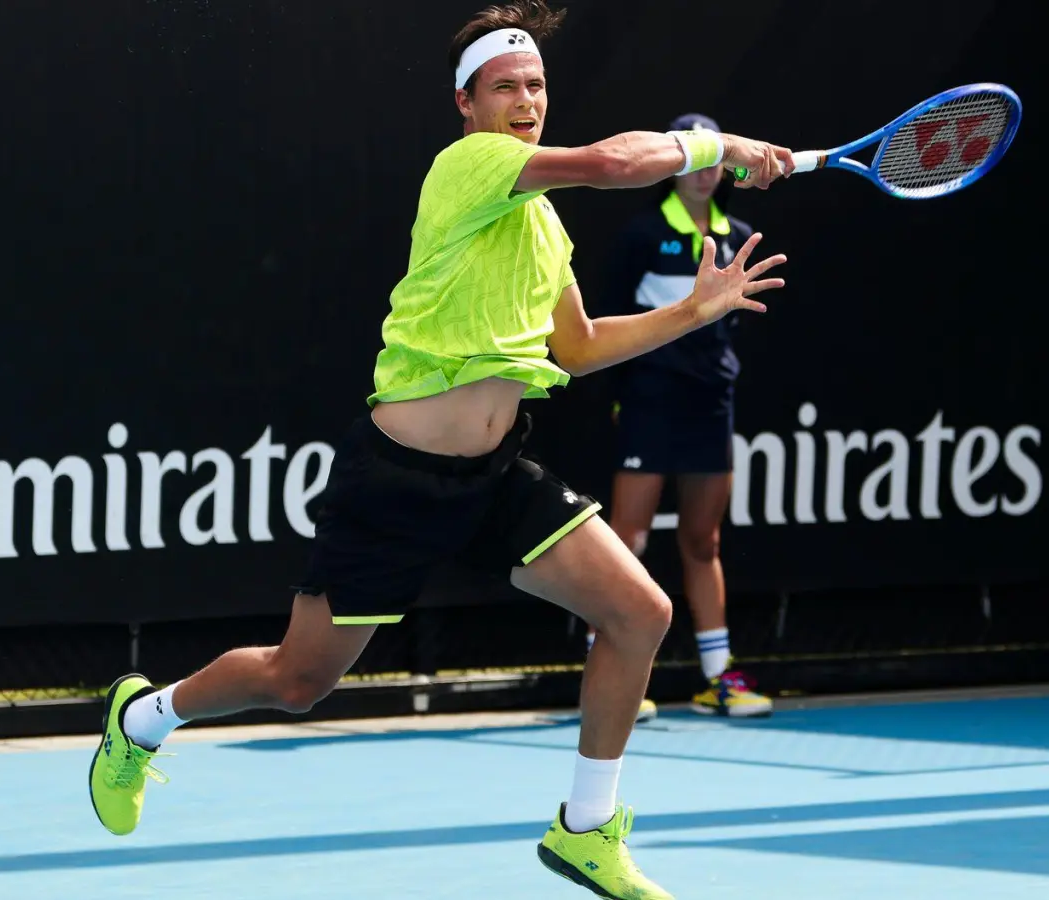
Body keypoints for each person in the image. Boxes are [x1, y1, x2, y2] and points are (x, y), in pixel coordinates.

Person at [84, 3, 792, 898]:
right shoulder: (472, 164)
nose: (526, 99)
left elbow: (572, 348)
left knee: (639, 614)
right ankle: (142, 717)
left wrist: (693, 311)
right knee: (297, 682)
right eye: (506, 86)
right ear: (467, 103)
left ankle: (585, 830)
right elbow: (615, 162)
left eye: (536, 84)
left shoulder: (540, 225)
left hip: (494, 477)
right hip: (397, 483)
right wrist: (720, 145)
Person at [589, 114, 773, 721]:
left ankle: (719, 677)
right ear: (675, 166)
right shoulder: (642, 235)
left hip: (710, 405)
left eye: (712, 160)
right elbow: (602, 323)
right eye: (692, 159)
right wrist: (623, 394)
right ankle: (607, 665)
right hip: (649, 402)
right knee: (628, 539)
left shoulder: (739, 232)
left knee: (703, 540)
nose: (702, 173)